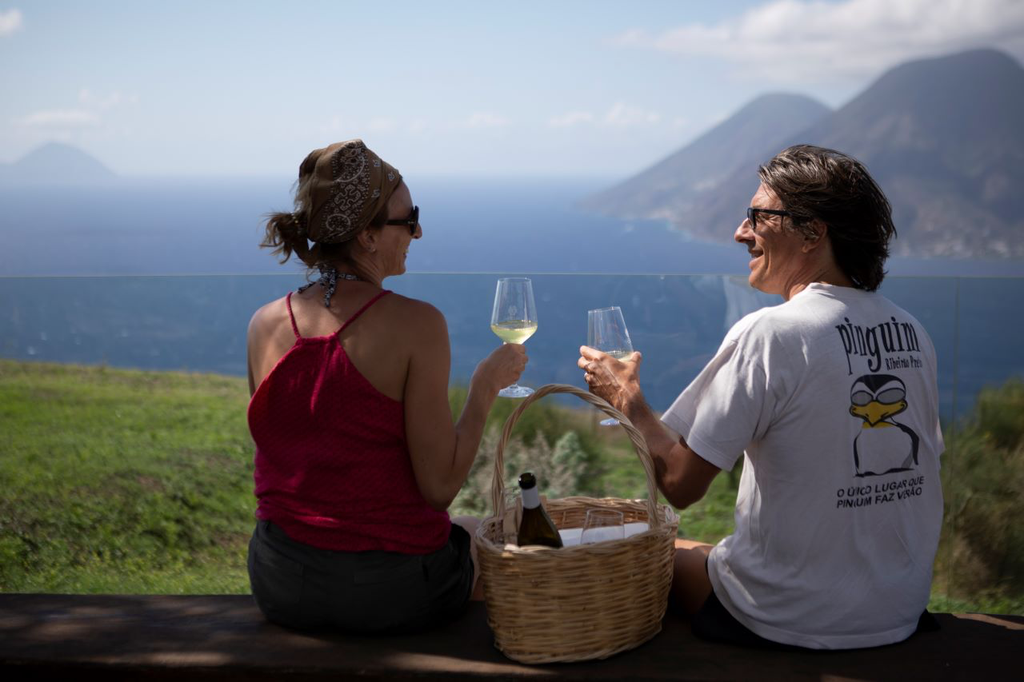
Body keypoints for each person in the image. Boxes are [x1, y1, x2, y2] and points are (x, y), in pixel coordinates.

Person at [578, 145, 943, 650]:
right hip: (897, 610)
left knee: (646, 550)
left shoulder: (772, 334)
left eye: (757, 217)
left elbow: (680, 484)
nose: (739, 232)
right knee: (708, 551)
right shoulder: (912, 332)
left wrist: (628, 401)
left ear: (814, 230)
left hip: (788, 617)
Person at [246, 139, 527, 633]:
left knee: (461, 532)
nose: (418, 231)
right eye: (408, 218)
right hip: (385, 593)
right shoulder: (417, 325)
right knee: (490, 537)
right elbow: (439, 488)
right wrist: (484, 388)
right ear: (368, 238)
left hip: (278, 579)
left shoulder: (265, 324)